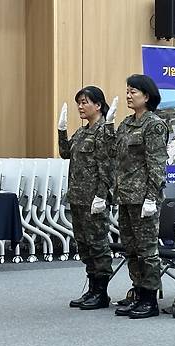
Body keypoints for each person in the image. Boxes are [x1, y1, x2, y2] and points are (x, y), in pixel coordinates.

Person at [109, 74, 169, 319]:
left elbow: (156, 163)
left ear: (147, 96)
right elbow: (115, 154)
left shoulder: (154, 124)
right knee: (131, 249)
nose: (128, 95)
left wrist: (152, 197)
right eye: (127, 91)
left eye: (133, 91)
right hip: (125, 196)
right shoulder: (126, 123)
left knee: (147, 250)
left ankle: (150, 298)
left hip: (144, 196)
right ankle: (138, 290)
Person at [59, 86, 116, 310]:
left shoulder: (105, 131)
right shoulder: (83, 132)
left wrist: (102, 195)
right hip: (78, 198)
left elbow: (108, 168)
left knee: (98, 245)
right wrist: (61, 130)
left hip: (95, 199)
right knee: (84, 245)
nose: (80, 107)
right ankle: (92, 289)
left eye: (84, 102)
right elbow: (66, 153)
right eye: (78, 103)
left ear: (98, 105)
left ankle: (101, 293)